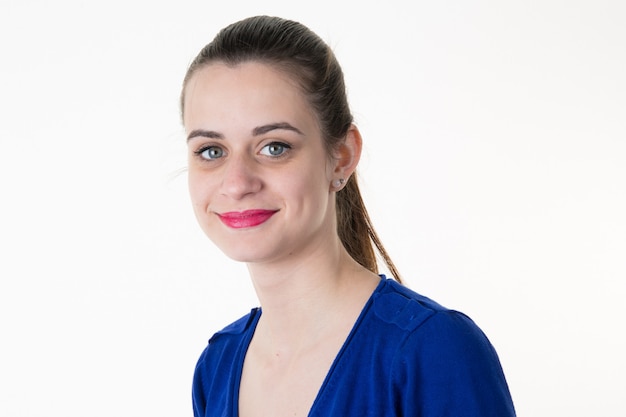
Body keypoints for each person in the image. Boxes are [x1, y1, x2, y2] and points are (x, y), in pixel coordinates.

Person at [181, 15, 516, 417]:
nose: (236, 184)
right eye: (211, 151)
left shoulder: (432, 351)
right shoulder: (216, 367)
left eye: (274, 147)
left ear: (341, 157)